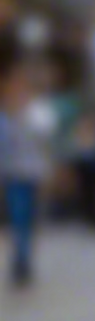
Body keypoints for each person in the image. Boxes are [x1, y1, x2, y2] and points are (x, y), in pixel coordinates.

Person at [0, 65, 51, 287]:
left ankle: (24, 259)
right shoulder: (6, 116)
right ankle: (21, 261)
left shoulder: (36, 113)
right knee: (20, 217)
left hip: (32, 172)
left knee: (29, 218)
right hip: (14, 174)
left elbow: (45, 139)